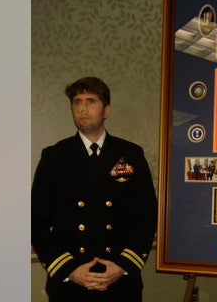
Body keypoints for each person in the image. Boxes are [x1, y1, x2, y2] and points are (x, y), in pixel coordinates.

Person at [31, 77, 158, 302]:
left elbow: (147, 217)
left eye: (91, 101)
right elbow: (36, 223)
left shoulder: (130, 155)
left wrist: (123, 265)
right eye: (76, 101)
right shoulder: (54, 157)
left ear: (106, 110)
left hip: (120, 281)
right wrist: (69, 269)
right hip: (70, 282)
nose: (82, 108)